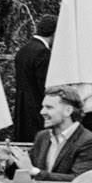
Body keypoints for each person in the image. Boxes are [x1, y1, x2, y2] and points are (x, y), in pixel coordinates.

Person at [11, 14, 56, 142]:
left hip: (22, 109)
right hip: (36, 110)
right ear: (54, 33)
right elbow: (44, 86)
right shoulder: (43, 53)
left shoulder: (23, 50)